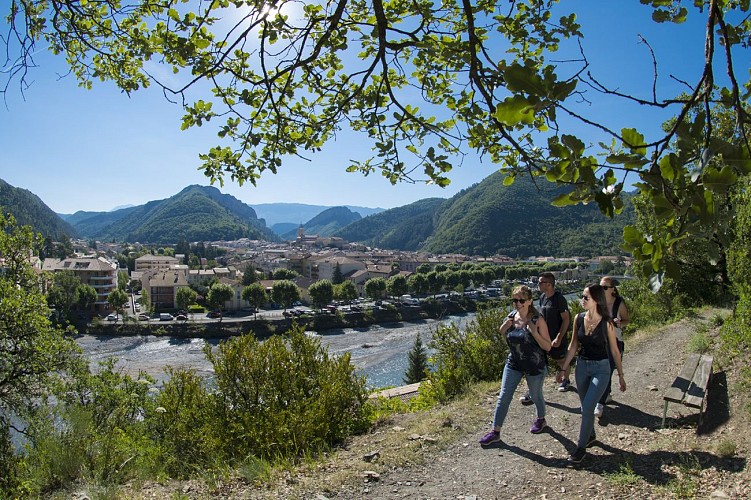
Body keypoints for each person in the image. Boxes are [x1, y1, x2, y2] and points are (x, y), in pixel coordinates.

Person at [558, 284, 626, 464]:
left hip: (601, 368)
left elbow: (615, 351)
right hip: (582, 367)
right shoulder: (579, 318)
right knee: (585, 405)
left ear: (596, 300)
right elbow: (573, 346)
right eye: (582, 296)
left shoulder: (607, 323)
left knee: (587, 408)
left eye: (586, 297)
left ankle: (580, 448)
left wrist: (620, 375)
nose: (582, 300)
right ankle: (591, 435)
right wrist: (564, 369)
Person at [479, 286, 552, 445]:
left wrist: (535, 333)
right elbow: (506, 333)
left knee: (535, 396)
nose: (517, 303)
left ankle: (541, 419)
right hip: (514, 363)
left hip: (534, 365)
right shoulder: (511, 316)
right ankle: (495, 432)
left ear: (530, 301)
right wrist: (503, 328)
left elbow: (548, 346)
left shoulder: (537, 320)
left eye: (521, 300)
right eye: (515, 300)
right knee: (503, 396)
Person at [594, 276, 630, 418]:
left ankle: (600, 403)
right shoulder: (598, 303)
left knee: (607, 370)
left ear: (612, 289)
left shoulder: (619, 303)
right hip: (601, 342)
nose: (601, 290)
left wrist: (620, 323)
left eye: (604, 287)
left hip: (615, 341)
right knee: (603, 370)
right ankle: (605, 395)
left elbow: (627, 320)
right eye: (600, 287)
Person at [536, 272, 571, 395]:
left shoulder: (558, 299)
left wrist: (559, 337)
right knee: (539, 360)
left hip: (557, 337)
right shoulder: (542, 297)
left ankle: (566, 380)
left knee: (561, 359)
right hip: (544, 337)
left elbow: (566, 319)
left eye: (541, 282)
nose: (538, 284)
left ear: (549, 284)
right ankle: (534, 388)